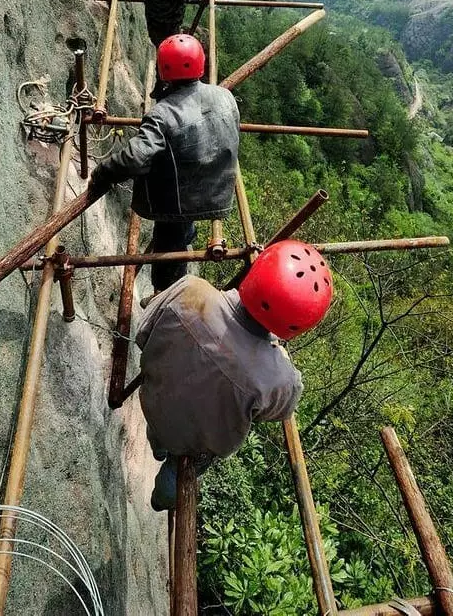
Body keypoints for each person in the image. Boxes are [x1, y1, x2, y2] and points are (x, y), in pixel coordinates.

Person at [135, 239, 334, 511]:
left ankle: (158, 446)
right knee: (179, 466)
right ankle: (160, 499)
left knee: (163, 427)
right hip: (194, 444)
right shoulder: (280, 380)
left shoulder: (191, 289)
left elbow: (142, 335)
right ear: (298, 325)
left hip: (154, 403)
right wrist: (279, 358)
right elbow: (280, 411)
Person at [88, 34, 239, 295]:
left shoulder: (163, 113)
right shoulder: (225, 96)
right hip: (215, 192)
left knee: (168, 245)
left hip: (178, 203)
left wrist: (102, 174)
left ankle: (165, 294)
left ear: (164, 70)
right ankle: (184, 246)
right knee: (182, 230)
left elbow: (136, 157)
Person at [144, 0, 214, 100]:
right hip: (168, 24)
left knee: (162, 51)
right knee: (172, 55)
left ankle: (160, 85)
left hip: (154, 21)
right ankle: (168, 90)